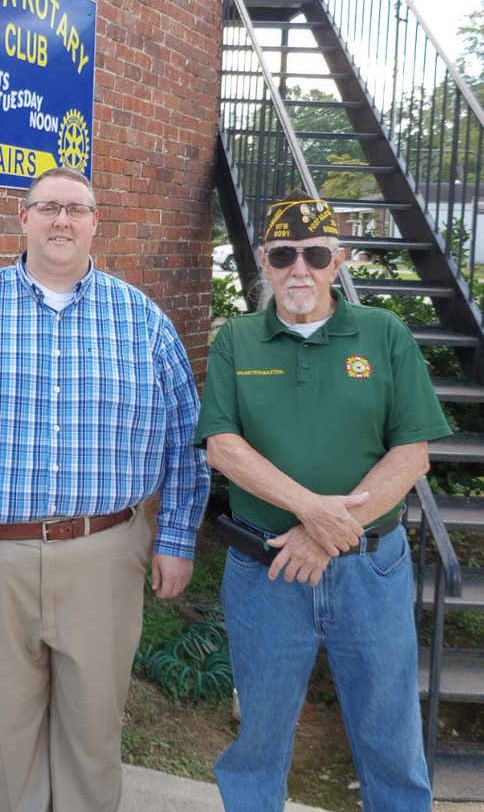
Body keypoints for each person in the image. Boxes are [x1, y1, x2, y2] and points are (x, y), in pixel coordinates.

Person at [0, 166, 211, 812]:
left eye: (77, 209)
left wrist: (175, 536)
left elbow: (187, 436)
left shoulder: (142, 320)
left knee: (93, 733)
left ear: (95, 223)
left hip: (103, 553)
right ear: (24, 220)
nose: (62, 220)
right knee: (2, 738)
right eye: (48, 207)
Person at [193, 190, 452, 812]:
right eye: (283, 255)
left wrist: (322, 532)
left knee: (390, 736)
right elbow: (222, 448)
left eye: (314, 253)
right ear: (263, 261)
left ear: (339, 260)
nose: (298, 269)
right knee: (258, 736)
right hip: (265, 573)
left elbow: (412, 455)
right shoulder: (238, 341)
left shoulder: (384, 334)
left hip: (371, 569)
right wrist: (312, 509)